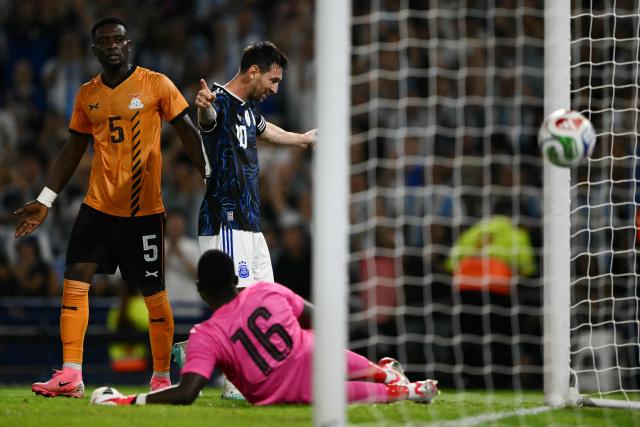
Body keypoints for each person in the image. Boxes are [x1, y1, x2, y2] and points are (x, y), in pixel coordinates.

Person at [13, 16, 206, 398]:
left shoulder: (156, 84)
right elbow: (73, 148)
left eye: (118, 39)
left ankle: (161, 377)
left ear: (128, 44)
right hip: (98, 206)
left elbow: (186, 129)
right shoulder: (87, 95)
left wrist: (209, 175)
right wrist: (46, 199)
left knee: (154, 293)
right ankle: (71, 375)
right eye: (105, 41)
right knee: (75, 278)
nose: (113, 45)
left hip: (144, 211)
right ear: (95, 50)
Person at [90, 250, 439, 406]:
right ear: (234, 280)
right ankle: (383, 374)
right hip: (314, 353)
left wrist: (127, 401)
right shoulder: (266, 289)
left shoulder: (204, 336)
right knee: (318, 344)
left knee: (327, 394)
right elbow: (318, 319)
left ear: (200, 291)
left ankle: (405, 390)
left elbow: (187, 392)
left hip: (289, 389)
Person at [193, 40, 315, 398]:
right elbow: (207, 120)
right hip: (225, 219)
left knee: (265, 298)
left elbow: (268, 131)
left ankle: (243, 371)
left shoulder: (247, 110)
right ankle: (230, 378)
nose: (275, 89)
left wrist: (304, 140)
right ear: (253, 71)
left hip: (250, 221)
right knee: (239, 301)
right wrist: (202, 109)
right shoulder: (216, 100)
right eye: (273, 80)